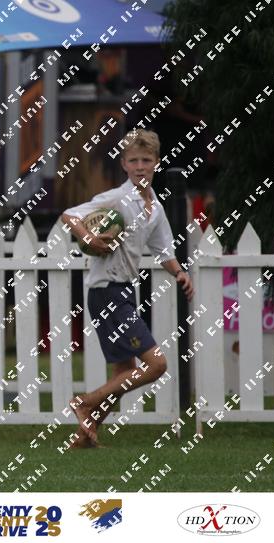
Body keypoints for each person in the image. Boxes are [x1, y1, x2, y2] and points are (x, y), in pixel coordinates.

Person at [60, 129, 194, 448]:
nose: (140, 166)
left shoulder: (154, 206)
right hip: (106, 291)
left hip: (123, 291)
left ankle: (86, 434)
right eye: (133, 160)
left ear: (157, 162)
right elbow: (70, 215)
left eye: (146, 160)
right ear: (123, 164)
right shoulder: (118, 198)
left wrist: (179, 273)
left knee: (125, 371)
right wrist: (90, 238)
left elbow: (163, 249)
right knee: (157, 365)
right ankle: (84, 402)